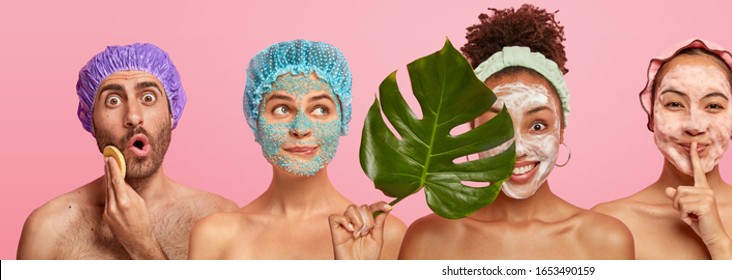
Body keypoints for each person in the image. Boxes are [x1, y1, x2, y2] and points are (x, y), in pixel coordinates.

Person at [399, 4, 634, 259]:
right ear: (472, 130)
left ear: (561, 129)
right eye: (496, 126)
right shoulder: (427, 240)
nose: (518, 149)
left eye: (537, 126)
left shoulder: (606, 241)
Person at [188, 40, 405, 260]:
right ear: (256, 119)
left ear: (342, 118)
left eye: (320, 109)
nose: (300, 129)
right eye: (282, 109)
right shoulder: (215, 236)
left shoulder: (385, 234)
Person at [17, 43, 238, 259]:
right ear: (90, 120)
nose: (133, 116)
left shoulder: (221, 219)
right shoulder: (47, 229)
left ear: (172, 113)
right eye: (113, 101)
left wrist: (143, 246)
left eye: (148, 98)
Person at [593, 39, 732, 259]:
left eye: (713, 106)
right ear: (652, 116)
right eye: (674, 104)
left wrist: (717, 239)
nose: (694, 126)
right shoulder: (608, 222)